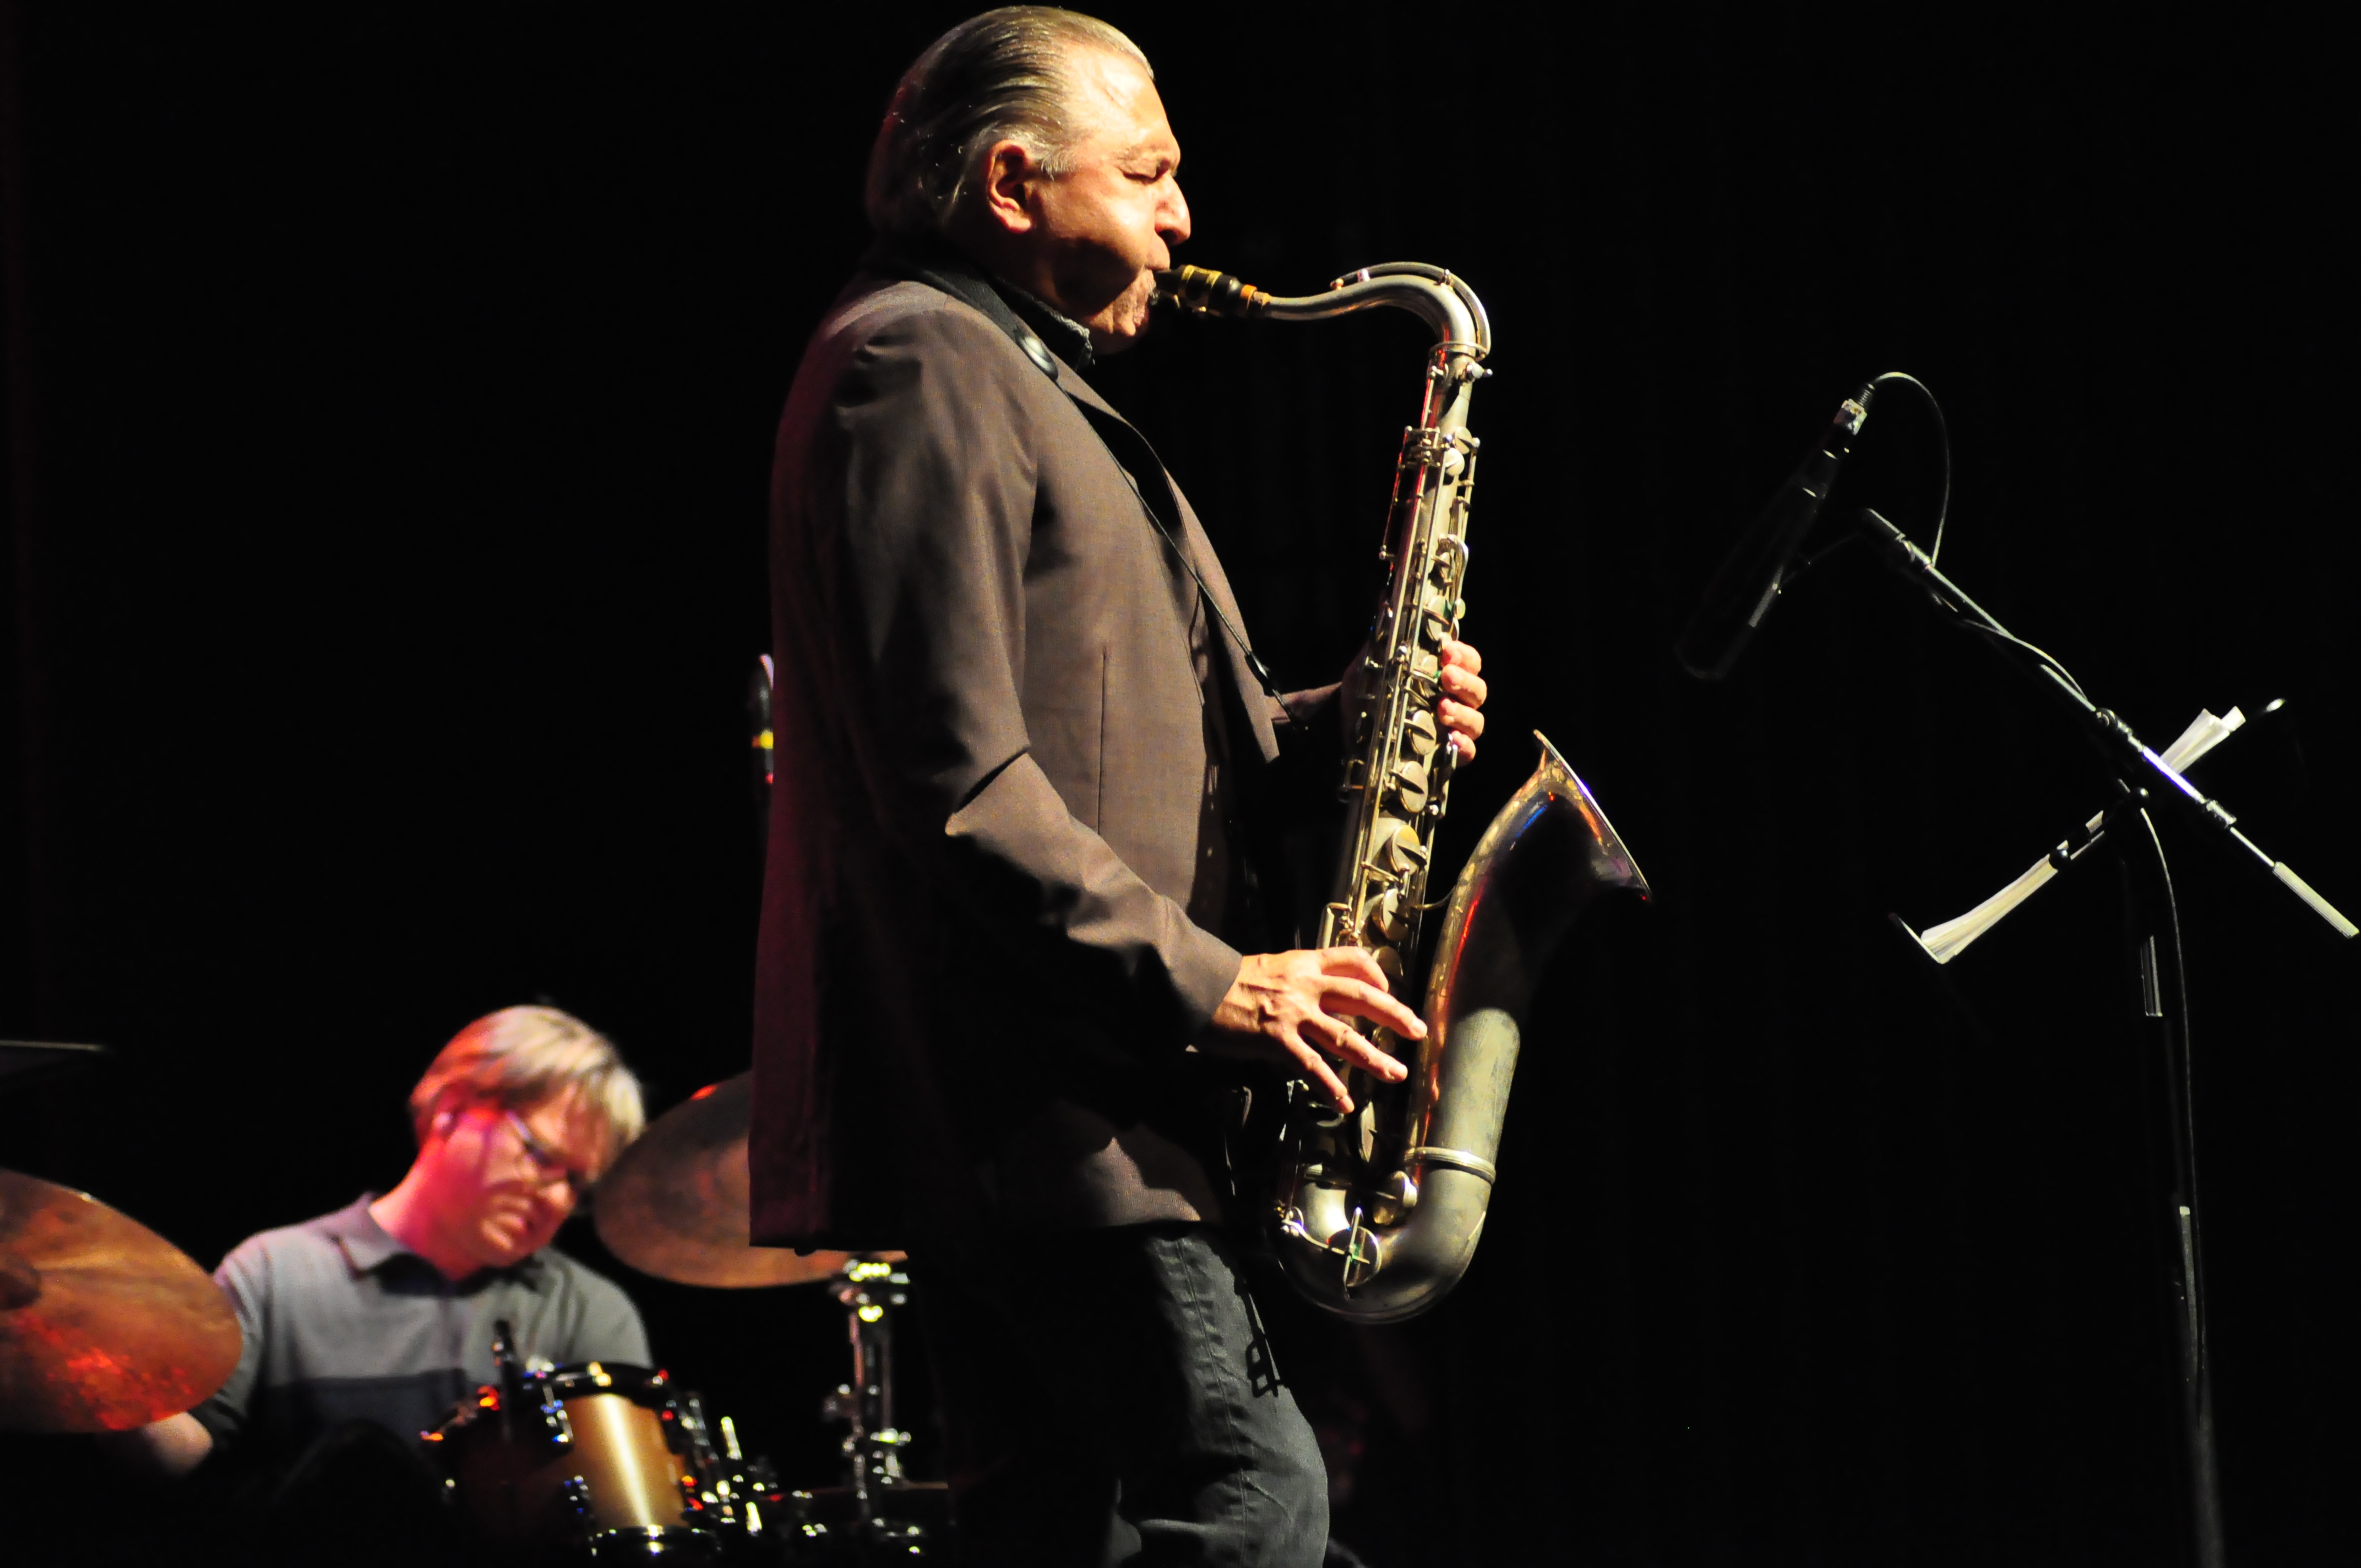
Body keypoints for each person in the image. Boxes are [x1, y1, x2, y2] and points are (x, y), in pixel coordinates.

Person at [749, 9, 1487, 1566]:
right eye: (1148, 174)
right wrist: (1224, 986)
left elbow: (1101, 734)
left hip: (1058, 1100)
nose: (1184, 216)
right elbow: (952, 782)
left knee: (1055, 1533)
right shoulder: (919, 362)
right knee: (1257, 1502)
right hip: (1047, 1108)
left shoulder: (1001, 370)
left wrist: (1355, 722)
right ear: (1015, 185)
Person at [123, 1005, 650, 1517]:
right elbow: (191, 1464)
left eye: (578, 1184)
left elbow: (625, 1513)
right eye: (541, 1156)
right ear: (453, 1109)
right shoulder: (274, 1272)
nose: (557, 1199)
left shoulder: (589, 1309)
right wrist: (89, 1362)